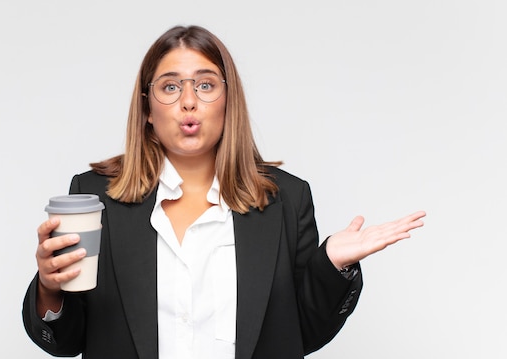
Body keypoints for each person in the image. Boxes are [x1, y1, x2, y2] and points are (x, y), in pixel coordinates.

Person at [22, 25, 425, 359]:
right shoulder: (95, 197)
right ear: (147, 107)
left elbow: (302, 334)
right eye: (170, 87)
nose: (189, 102)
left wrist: (331, 265)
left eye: (206, 85)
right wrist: (49, 287)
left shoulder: (286, 200)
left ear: (228, 99)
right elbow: (67, 341)